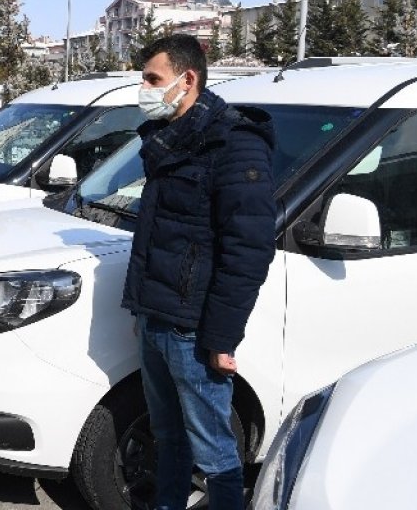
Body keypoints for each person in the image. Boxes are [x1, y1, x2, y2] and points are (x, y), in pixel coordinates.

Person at [121, 35, 275, 510]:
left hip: (194, 330)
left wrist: (222, 337)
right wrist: (141, 308)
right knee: (167, 435)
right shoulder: (170, 139)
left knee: (213, 450)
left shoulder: (233, 144)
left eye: (152, 79)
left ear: (187, 79)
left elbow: (248, 249)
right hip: (156, 315)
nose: (143, 89)